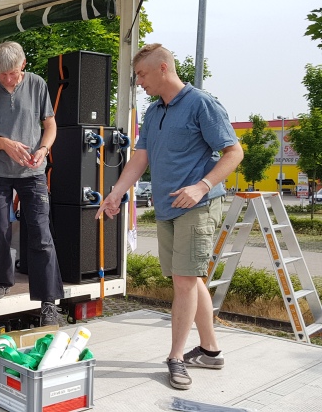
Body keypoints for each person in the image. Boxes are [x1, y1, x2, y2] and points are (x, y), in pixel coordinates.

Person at [95, 43, 243, 390]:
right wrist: (116, 193)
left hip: (197, 205)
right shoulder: (153, 111)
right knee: (189, 278)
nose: (140, 82)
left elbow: (234, 151)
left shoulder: (201, 103)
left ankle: (175, 358)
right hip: (166, 207)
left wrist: (203, 186)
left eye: (142, 75)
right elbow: (140, 158)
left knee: (184, 280)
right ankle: (210, 351)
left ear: (163, 69)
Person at [0, 42, 63, 326]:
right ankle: (0, 283)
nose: (6, 79)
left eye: (11, 73)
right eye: (1, 74)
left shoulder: (37, 84)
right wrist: (4, 144)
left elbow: (50, 125)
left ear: (23, 64)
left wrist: (44, 149)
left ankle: (48, 303)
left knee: (41, 234)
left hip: (32, 173)